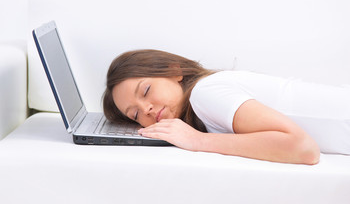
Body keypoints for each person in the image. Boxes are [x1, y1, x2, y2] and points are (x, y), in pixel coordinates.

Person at [103, 49, 350, 165]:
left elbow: (304, 149)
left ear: (174, 71)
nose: (146, 109)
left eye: (146, 91)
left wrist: (198, 141)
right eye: (134, 114)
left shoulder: (205, 93)